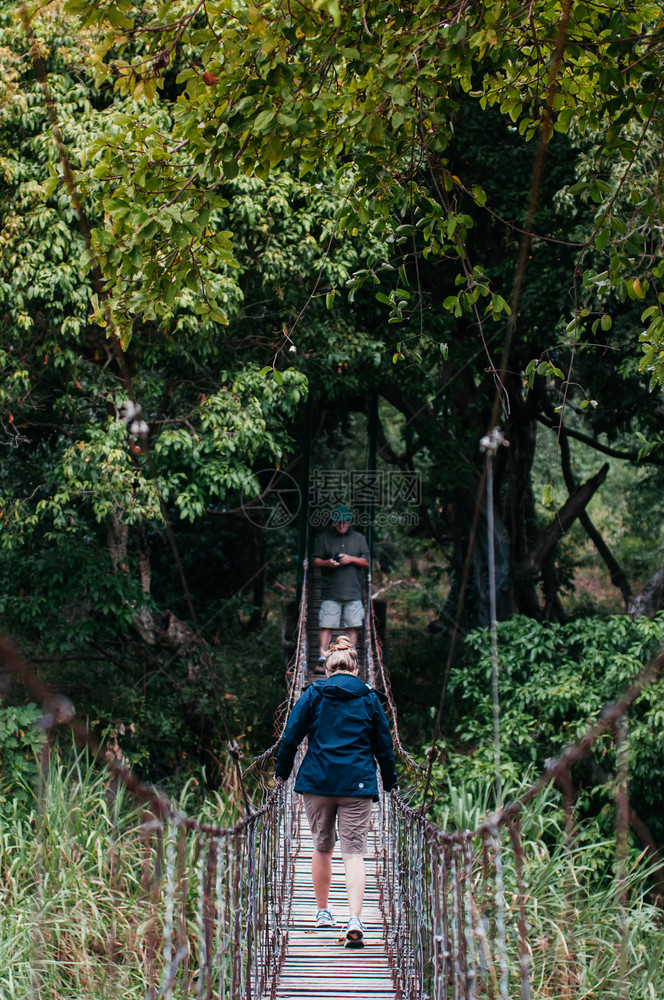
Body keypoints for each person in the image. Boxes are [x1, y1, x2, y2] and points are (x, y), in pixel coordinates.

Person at [274, 636, 398, 948]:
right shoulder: (369, 698)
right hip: (356, 784)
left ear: (327, 670)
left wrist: (282, 774)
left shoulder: (313, 694)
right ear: (356, 670)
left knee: (321, 846)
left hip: (317, 783)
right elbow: (384, 745)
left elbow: (290, 738)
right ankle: (355, 918)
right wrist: (390, 783)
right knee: (354, 851)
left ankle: (322, 912)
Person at [312, 504, 370, 669]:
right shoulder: (324, 538)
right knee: (326, 626)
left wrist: (351, 559)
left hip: (353, 592)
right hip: (331, 592)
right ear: (334, 522)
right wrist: (328, 563)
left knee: (352, 626)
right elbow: (314, 561)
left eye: (345, 521)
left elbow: (366, 562)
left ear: (350, 521)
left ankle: (349, 660)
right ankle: (322, 659)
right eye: (338, 522)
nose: (342, 524)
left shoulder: (359, 538)